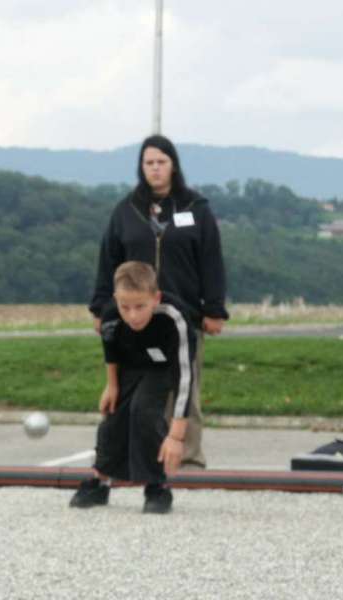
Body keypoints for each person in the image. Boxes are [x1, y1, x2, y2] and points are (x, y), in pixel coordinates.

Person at [88, 134, 228, 469]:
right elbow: (108, 259)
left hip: (183, 316)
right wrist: (101, 306)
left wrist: (214, 308)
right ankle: (139, 460)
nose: (155, 169)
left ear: (173, 166)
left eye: (161, 162)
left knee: (184, 388)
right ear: (141, 168)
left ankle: (189, 459)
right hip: (136, 317)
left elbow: (212, 260)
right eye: (148, 163)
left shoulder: (196, 209)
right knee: (136, 390)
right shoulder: (126, 210)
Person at [70, 261, 195, 513]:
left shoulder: (175, 317)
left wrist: (176, 436)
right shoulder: (111, 315)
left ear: (155, 297)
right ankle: (100, 481)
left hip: (164, 367)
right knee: (113, 418)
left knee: (144, 411)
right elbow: (111, 352)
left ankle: (156, 486)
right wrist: (112, 385)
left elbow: (184, 376)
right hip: (130, 365)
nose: (133, 315)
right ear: (116, 299)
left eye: (141, 306)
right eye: (125, 307)